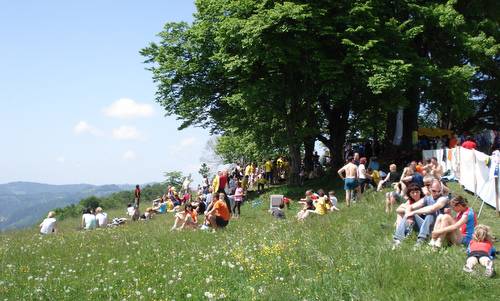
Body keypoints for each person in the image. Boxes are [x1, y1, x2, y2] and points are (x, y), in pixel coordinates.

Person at [393, 179, 449, 248]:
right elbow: (409, 207)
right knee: (408, 214)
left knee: (430, 215)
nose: (437, 193)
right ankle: (397, 241)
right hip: (427, 228)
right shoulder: (427, 198)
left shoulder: (443, 198)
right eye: (434, 191)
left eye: (439, 191)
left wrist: (413, 212)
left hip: (438, 229)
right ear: (429, 189)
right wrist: (410, 216)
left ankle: (420, 241)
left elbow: (432, 208)